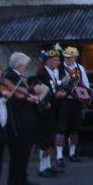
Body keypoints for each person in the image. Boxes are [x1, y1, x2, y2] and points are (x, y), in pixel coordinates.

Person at [4, 52, 40, 185]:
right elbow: (16, 97)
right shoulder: (10, 77)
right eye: (25, 64)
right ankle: (14, 183)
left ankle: (23, 179)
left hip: (25, 119)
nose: (26, 67)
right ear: (19, 64)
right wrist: (32, 91)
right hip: (18, 120)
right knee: (17, 153)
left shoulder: (17, 77)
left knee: (24, 152)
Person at [55, 46, 91, 167]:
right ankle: (59, 156)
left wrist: (88, 96)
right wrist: (64, 81)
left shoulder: (79, 68)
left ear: (75, 57)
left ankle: (72, 153)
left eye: (70, 57)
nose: (68, 59)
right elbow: (55, 84)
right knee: (60, 128)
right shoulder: (58, 68)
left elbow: (85, 84)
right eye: (66, 57)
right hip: (63, 101)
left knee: (74, 128)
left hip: (76, 101)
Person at [36, 47, 66, 177]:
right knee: (44, 139)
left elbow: (54, 88)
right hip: (46, 109)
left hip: (53, 108)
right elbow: (46, 92)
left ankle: (48, 165)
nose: (58, 62)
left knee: (49, 139)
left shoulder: (53, 72)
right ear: (47, 61)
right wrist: (57, 95)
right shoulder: (42, 74)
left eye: (58, 60)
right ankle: (42, 167)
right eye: (55, 60)